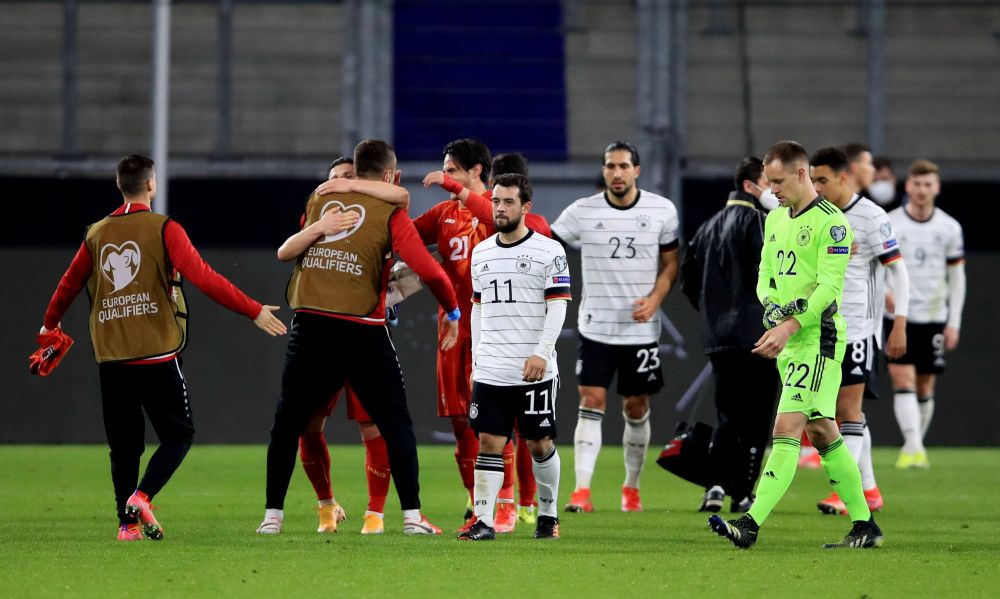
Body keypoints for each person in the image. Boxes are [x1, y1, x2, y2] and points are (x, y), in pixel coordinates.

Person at [38, 154, 288, 541]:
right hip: (156, 355)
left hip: (113, 358)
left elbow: (68, 285)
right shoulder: (164, 229)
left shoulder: (96, 233)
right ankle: (142, 496)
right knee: (179, 436)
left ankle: (127, 527)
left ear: (120, 186)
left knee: (124, 448)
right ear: (151, 185)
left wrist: (49, 325)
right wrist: (253, 309)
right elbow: (203, 277)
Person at [257, 138, 460, 536]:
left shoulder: (320, 202)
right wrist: (452, 311)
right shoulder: (390, 212)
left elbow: (291, 252)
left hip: (311, 324)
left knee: (288, 423)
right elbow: (429, 270)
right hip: (361, 329)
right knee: (394, 423)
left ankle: (272, 516)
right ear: (388, 174)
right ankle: (411, 517)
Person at [708, 140, 883, 549]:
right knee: (823, 431)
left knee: (786, 429)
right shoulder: (775, 220)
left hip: (817, 340)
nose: (772, 190)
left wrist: (789, 325)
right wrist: (771, 308)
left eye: (778, 181)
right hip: (789, 339)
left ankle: (750, 524)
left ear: (802, 174)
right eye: (768, 183)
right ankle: (865, 525)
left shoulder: (833, 223)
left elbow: (829, 289)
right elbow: (766, 272)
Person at [416, 140, 542, 533]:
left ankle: (507, 502)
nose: (445, 176)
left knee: (497, 422)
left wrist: (455, 188)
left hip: (497, 331)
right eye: (445, 170)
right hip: (453, 329)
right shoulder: (443, 214)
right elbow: (404, 238)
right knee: (459, 422)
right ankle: (478, 503)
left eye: (452, 170)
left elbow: (509, 220)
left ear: (475, 172)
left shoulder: (499, 210)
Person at [550, 141, 680, 513]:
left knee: (636, 407)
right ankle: (581, 492)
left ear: (636, 170)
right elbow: (549, 247)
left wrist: (655, 298)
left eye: (624, 166)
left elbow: (671, 264)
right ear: (604, 170)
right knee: (590, 401)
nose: (617, 173)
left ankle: (631, 488)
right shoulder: (581, 212)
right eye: (610, 166)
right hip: (595, 327)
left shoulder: (661, 210)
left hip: (641, 331)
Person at [286, 156, 411, 535]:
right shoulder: (316, 218)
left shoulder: (377, 216)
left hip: (363, 337)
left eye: (349, 178)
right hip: (319, 338)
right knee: (307, 426)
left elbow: (402, 196)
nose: (339, 185)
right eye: (334, 180)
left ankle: (375, 515)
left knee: (373, 427)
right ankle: (327, 507)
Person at [459, 173, 570, 540]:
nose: (500, 208)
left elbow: (557, 307)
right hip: (492, 367)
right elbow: (477, 309)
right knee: (489, 442)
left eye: (508, 202)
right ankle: (485, 521)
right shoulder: (481, 251)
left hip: (533, 369)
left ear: (526, 208)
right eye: (496, 201)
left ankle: (548, 515)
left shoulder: (549, 251)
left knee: (539, 442)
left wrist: (541, 352)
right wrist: (477, 361)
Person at [810, 147, 911, 515]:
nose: (816, 186)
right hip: (818, 332)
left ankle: (843, 490)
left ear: (843, 176)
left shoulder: (870, 216)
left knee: (847, 410)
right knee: (830, 416)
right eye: (812, 179)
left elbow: (897, 270)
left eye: (822, 179)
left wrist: (899, 321)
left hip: (857, 332)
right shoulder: (811, 214)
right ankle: (868, 490)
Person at [680, 157, 780, 514]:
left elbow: (688, 284)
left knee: (727, 414)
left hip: (717, 337)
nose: (776, 190)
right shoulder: (762, 222)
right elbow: (775, 276)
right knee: (756, 418)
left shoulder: (705, 228)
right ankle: (744, 493)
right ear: (752, 186)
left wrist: (713, 316)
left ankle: (715, 487)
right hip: (760, 334)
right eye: (771, 182)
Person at [885, 159, 965, 469]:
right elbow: (877, 268)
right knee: (901, 378)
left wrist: (953, 321)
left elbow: (957, 278)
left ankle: (914, 445)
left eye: (928, 184)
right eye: (916, 184)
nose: (922, 190)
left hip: (933, 316)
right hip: (899, 318)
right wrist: (885, 297)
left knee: (924, 386)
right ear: (908, 186)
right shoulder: (891, 223)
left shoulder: (949, 227)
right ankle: (914, 446)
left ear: (937, 188)